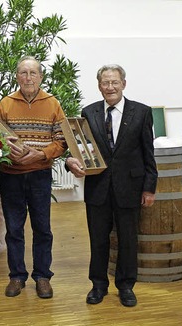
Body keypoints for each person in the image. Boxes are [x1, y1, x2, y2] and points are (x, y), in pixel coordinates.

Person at [65, 64, 157, 307]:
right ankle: (98, 285)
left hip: (130, 187)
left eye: (114, 82)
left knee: (128, 240)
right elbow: (78, 149)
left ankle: (126, 286)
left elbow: (149, 153)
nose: (110, 87)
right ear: (99, 86)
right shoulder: (88, 112)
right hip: (98, 188)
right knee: (98, 239)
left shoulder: (142, 112)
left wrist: (149, 187)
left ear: (123, 84)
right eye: (105, 83)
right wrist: (69, 162)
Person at [0, 56, 67, 299]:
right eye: (23, 73)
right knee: (14, 229)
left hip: (39, 175)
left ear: (41, 77)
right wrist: (9, 153)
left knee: (42, 228)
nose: (28, 78)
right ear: (17, 76)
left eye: (33, 73)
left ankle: (42, 276)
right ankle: (17, 276)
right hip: (11, 176)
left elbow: (62, 140)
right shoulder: (5, 104)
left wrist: (41, 154)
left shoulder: (53, 103)